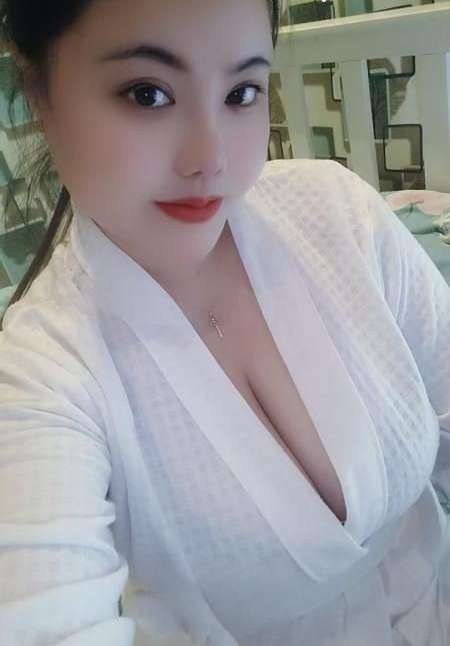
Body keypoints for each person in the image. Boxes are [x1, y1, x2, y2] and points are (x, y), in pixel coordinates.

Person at [0, 0, 449, 644]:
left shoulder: (336, 212)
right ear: (38, 90)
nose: (211, 158)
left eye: (241, 92)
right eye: (148, 93)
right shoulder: (44, 372)